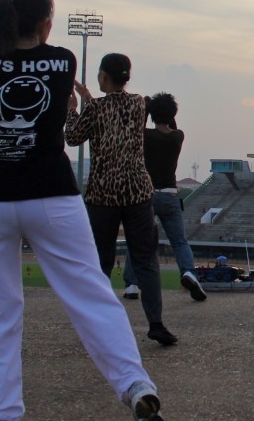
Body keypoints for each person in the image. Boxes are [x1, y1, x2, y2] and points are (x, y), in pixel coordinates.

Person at [0, 0, 165, 421]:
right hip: (52, 195)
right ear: (47, 23)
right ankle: (135, 387)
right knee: (90, 291)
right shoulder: (63, 60)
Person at [65, 54, 178, 345]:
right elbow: (114, 113)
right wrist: (91, 99)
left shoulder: (95, 110)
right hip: (138, 190)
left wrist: (72, 109)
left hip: (103, 194)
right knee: (145, 261)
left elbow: (74, 137)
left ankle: (98, 326)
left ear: (103, 76)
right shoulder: (140, 103)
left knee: (100, 263)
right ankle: (156, 323)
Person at [121, 92, 207, 302]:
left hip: (146, 194)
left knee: (137, 240)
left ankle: (132, 284)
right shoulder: (178, 137)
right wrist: (163, 111)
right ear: (173, 114)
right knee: (179, 241)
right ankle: (188, 272)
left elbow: (137, 130)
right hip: (170, 195)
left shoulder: (146, 136)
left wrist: (146, 109)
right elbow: (173, 125)